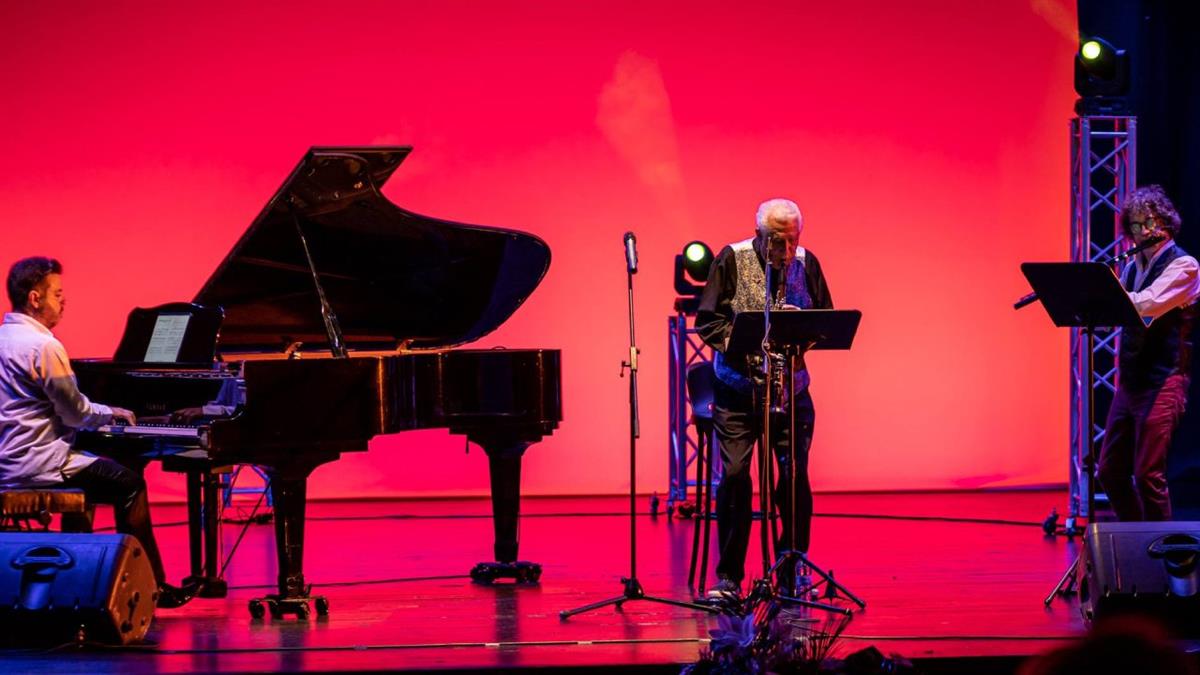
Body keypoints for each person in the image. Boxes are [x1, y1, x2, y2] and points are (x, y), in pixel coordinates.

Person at [0, 256, 193, 607]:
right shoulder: (43, 346)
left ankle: (79, 579)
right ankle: (154, 587)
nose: (64, 301)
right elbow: (75, 414)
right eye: (57, 294)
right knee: (129, 484)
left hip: (6, 461)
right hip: (39, 463)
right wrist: (111, 413)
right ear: (34, 299)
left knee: (92, 469)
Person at [696, 198, 833, 597]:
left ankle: (792, 568)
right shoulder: (732, 259)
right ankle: (729, 577)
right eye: (776, 242)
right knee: (737, 476)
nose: (785, 252)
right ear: (759, 235)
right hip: (738, 390)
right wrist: (747, 345)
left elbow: (825, 315)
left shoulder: (807, 262)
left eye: (792, 241)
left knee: (793, 478)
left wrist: (800, 328)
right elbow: (709, 321)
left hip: (790, 390)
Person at [1097, 185, 1199, 521]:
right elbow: (1119, 312)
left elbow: (1148, 304)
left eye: (1150, 223)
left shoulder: (1185, 266)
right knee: (1110, 472)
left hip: (1164, 380)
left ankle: (1162, 552)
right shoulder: (1130, 267)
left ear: (1166, 223)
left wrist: (1107, 294)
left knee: (1147, 476)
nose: (1143, 231)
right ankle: (1135, 543)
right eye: (1137, 225)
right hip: (1131, 382)